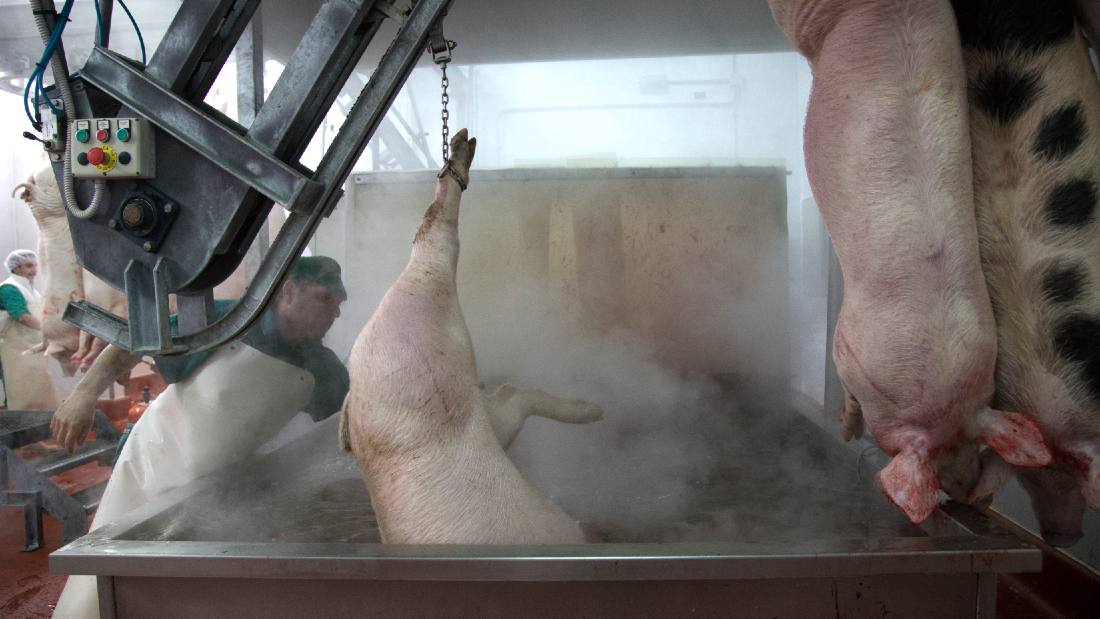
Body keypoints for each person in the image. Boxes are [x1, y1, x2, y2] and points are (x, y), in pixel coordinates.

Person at [51, 256, 349, 618]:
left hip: (220, 488)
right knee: (103, 582)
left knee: (186, 594)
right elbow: (135, 342)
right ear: (288, 291)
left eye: (338, 304)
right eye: (325, 299)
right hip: (154, 462)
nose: (334, 313)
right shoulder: (228, 320)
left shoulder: (323, 369)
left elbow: (351, 418)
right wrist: (82, 396)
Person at [0, 249, 59, 410]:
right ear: (15, 268)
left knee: (37, 388)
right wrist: (49, 329)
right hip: (11, 349)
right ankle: (16, 430)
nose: (34, 270)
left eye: (35, 265)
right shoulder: (9, 289)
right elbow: (22, 316)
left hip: (30, 348)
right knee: (16, 391)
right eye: (28, 266)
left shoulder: (33, 291)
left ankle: (36, 429)